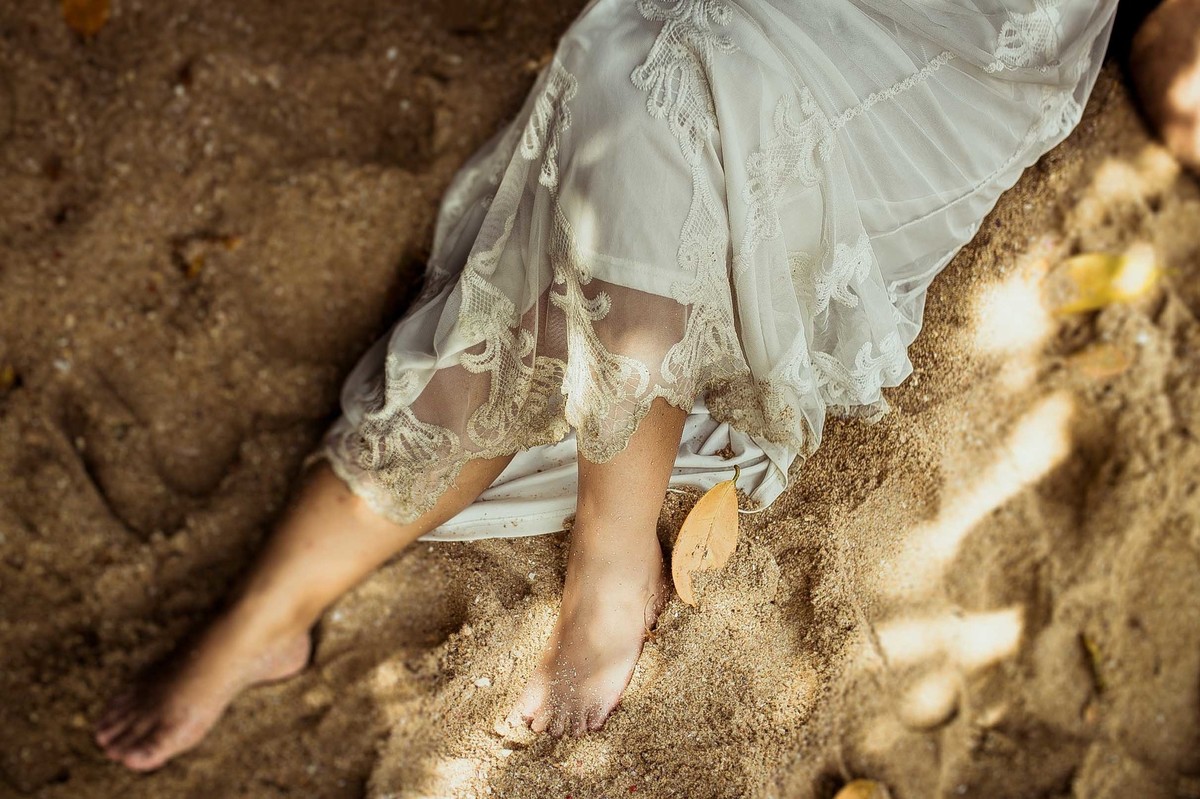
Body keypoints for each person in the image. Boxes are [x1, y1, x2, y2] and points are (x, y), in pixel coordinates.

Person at [94, 0, 1119, 772]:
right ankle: (272, 617)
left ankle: (608, 549)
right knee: (650, 104)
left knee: (665, 108)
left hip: (961, 48)